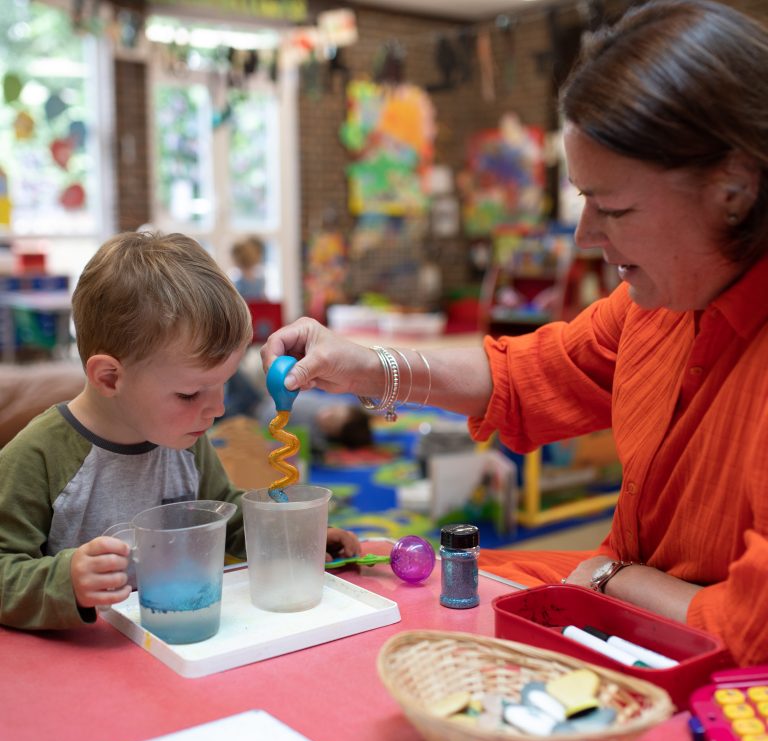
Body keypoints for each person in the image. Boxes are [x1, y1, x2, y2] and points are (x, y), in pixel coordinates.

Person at [261, 0, 768, 667]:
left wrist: (618, 578)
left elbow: (750, 629)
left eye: (612, 207)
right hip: (627, 615)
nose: (586, 236)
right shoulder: (662, 302)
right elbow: (531, 374)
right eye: (583, 199)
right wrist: (363, 367)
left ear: (733, 187)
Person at [0, 231, 360, 631]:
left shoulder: (183, 440)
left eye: (222, 383)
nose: (218, 408)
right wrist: (65, 581)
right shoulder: (38, 457)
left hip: (175, 649)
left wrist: (292, 542)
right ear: (109, 377)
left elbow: (224, 516)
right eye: (190, 393)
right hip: (81, 667)